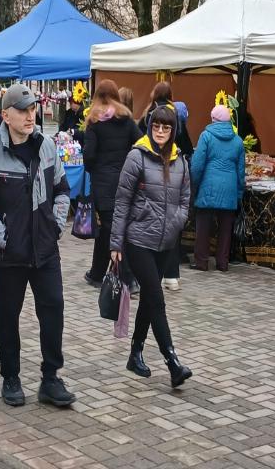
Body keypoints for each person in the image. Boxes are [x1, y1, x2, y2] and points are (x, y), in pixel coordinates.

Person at [0, 83, 75, 408]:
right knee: (8, 316)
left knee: (53, 310)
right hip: (10, 255)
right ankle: (11, 377)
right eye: (23, 110)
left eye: (33, 110)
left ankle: (50, 379)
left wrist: (54, 226)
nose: (31, 116)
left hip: (45, 250)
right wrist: (4, 237)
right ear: (6, 115)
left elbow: (62, 190)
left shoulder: (46, 146)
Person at [111, 104, 194, 389]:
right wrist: (115, 243)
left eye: (166, 127)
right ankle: (172, 361)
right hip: (138, 239)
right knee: (157, 298)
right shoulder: (137, 156)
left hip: (166, 240)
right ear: (149, 127)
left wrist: (176, 223)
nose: (160, 131)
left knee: (149, 297)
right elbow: (121, 201)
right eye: (156, 126)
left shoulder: (180, 161)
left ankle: (135, 353)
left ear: (173, 131)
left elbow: (185, 200)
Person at [81, 79, 142, 290]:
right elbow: (141, 143)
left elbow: (89, 155)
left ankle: (128, 278)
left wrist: (93, 169)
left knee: (109, 228)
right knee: (114, 229)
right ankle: (97, 272)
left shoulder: (94, 121)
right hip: (126, 180)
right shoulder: (127, 119)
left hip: (103, 182)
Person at [190, 104, 245, 274]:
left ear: (213, 119)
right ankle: (222, 262)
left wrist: (195, 185)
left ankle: (202, 261)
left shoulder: (206, 136)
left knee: (203, 226)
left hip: (208, 186)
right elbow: (241, 171)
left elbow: (197, 165)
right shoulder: (238, 141)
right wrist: (238, 193)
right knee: (225, 228)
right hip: (229, 189)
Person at [138, 82, 193, 156]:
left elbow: (139, 137)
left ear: (155, 93)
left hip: (150, 156)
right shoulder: (175, 113)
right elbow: (186, 144)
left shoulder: (148, 113)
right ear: (170, 94)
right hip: (172, 156)